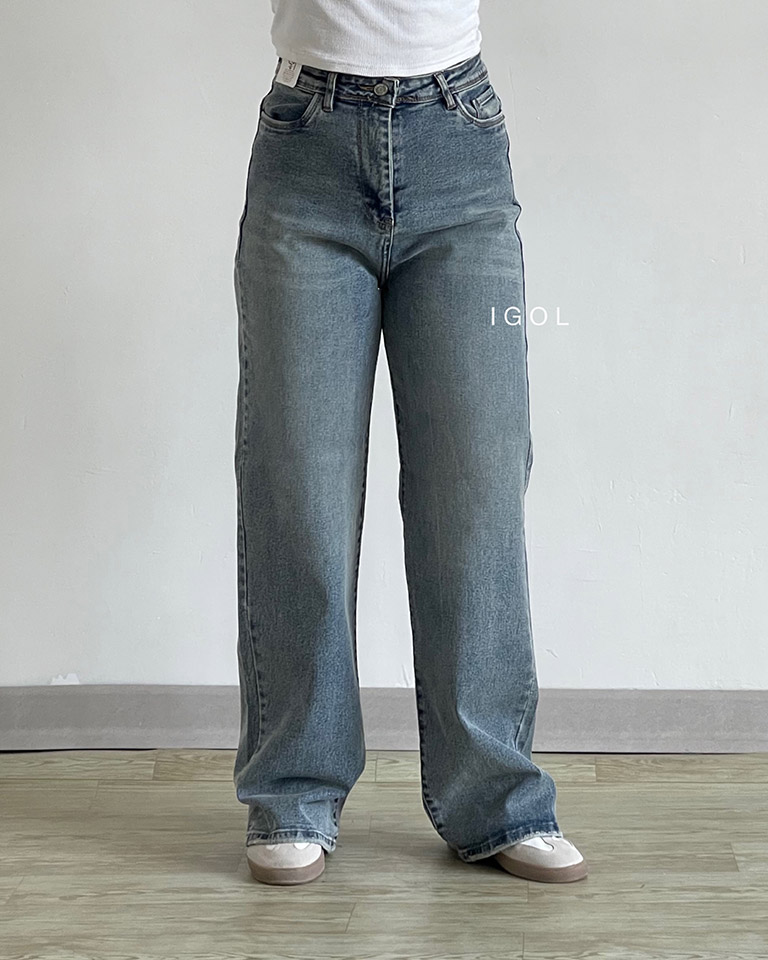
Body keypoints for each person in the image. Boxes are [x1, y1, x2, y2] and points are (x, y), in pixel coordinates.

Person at [232, 0, 587, 886]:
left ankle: (496, 798)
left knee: (477, 486)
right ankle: (294, 792)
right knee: (299, 486)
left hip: (457, 137)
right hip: (307, 142)